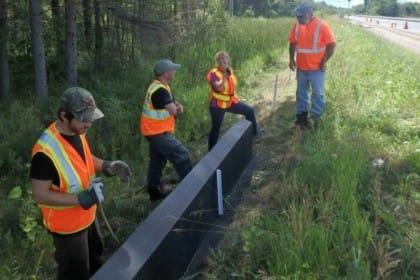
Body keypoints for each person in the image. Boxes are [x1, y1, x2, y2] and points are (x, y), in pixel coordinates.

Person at [30, 87, 132, 280]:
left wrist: (107, 166)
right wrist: (81, 198)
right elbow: (40, 194)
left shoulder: (78, 131)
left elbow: (83, 158)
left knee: (95, 257)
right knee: (75, 273)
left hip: (87, 215)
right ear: (64, 116)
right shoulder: (45, 152)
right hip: (68, 228)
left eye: (90, 118)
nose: (89, 124)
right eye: (84, 119)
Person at [140, 59, 192, 201]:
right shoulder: (159, 90)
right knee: (182, 155)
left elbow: (174, 104)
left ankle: (154, 192)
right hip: (157, 133)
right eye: (173, 69)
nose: (175, 72)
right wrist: (177, 109)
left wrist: (177, 107)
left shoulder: (162, 86)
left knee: (157, 161)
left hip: (154, 131)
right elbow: (173, 110)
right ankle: (192, 191)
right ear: (166, 73)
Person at [288, 2, 336, 128]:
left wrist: (324, 61)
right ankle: (301, 119)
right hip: (301, 69)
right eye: (297, 16)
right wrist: (291, 59)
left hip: (317, 70)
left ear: (310, 14)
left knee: (318, 94)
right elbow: (292, 43)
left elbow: (332, 45)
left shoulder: (322, 26)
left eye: (301, 16)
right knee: (301, 94)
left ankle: (316, 119)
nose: (298, 19)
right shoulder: (297, 26)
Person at [206, 51, 262, 151]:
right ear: (217, 62)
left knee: (249, 111)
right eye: (219, 59)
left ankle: (254, 132)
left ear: (228, 59)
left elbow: (231, 86)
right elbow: (218, 88)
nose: (222, 61)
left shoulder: (230, 71)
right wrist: (224, 77)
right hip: (217, 105)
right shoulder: (213, 73)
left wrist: (227, 75)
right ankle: (211, 149)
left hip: (231, 102)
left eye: (224, 58)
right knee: (216, 127)